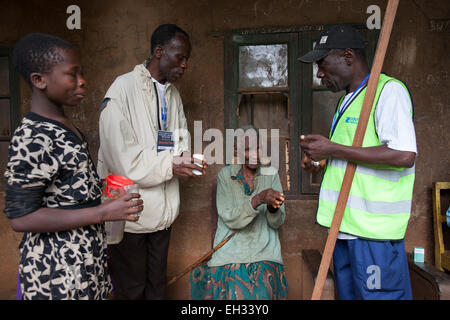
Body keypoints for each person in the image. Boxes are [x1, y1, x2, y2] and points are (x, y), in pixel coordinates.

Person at [3, 33, 143, 300]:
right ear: (39, 80)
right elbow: (21, 217)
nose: (82, 81)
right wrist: (102, 212)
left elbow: (66, 192)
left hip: (85, 267)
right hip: (55, 275)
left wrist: (104, 193)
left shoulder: (65, 127)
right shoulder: (34, 135)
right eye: (72, 74)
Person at [299, 25, 417, 300]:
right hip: (346, 231)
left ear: (348, 56)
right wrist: (324, 164)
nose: (319, 73)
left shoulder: (388, 92)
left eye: (322, 63)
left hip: (373, 237)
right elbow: (353, 159)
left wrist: (333, 148)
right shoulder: (348, 102)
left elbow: (403, 155)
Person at [97, 24, 206, 300]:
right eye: (180, 57)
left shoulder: (172, 94)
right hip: (130, 214)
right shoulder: (122, 91)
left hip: (163, 215)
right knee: (131, 289)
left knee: (156, 288)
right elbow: (124, 161)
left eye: (187, 59)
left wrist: (184, 161)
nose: (185, 65)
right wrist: (171, 164)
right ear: (159, 52)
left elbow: (181, 141)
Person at [190, 126, 288, 300]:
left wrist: (273, 208)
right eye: (248, 149)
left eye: (258, 148)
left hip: (264, 251)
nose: (255, 154)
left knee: (262, 291)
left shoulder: (270, 174)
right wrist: (258, 199)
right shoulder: (225, 176)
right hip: (230, 253)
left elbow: (277, 222)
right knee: (233, 293)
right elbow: (230, 218)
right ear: (237, 151)